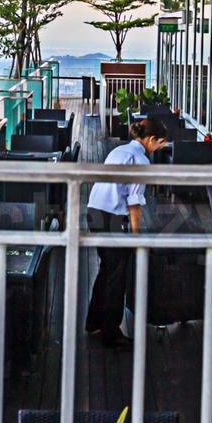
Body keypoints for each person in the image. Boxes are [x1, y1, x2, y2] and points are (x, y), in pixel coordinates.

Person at [83, 119, 170, 339]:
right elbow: (134, 203)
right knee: (116, 276)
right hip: (112, 216)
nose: (160, 148)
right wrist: (135, 236)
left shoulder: (119, 150)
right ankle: (111, 332)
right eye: (160, 143)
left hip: (93, 212)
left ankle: (94, 320)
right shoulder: (140, 160)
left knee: (107, 269)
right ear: (150, 140)